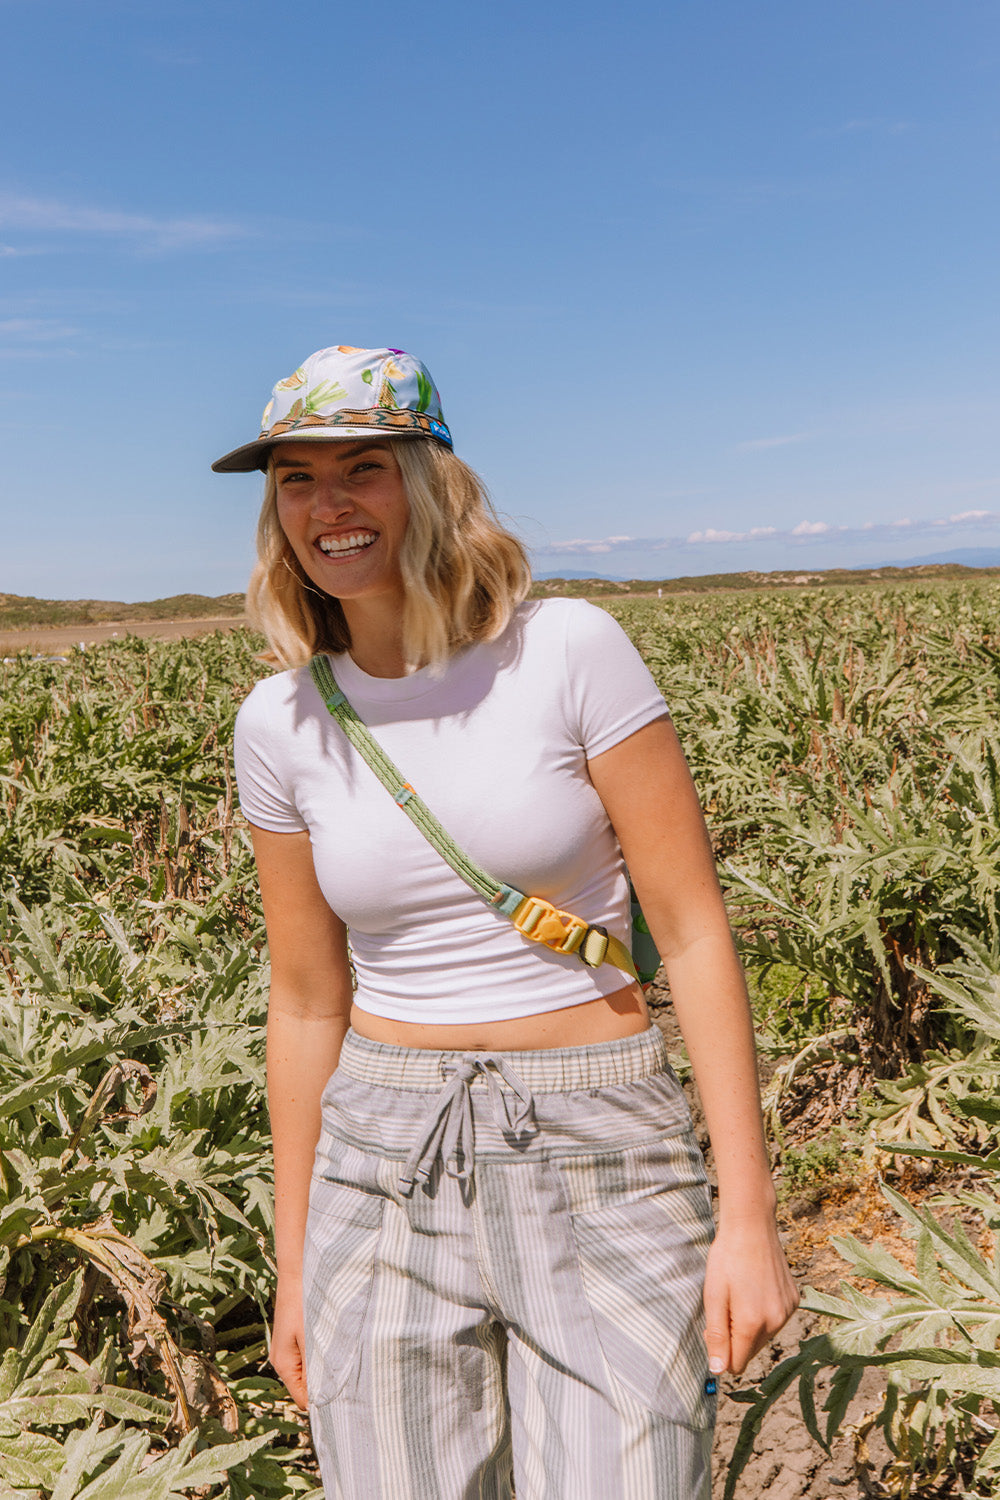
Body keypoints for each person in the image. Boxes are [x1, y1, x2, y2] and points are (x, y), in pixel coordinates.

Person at [214, 345, 798, 1499]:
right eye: (296, 480)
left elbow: (691, 933)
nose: (329, 506)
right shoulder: (279, 722)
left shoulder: (567, 650)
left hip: (600, 1147)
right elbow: (306, 1001)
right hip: (377, 1165)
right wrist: (293, 1263)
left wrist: (749, 1216)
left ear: (433, 481)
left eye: (364, 468)